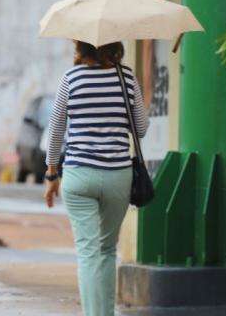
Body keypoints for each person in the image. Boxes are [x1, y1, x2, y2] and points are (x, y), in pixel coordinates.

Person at [44, 41, 148, 316]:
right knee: (106, 250)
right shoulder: (126, 78)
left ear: (81, 46)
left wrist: (52, 172)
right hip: (117, 175)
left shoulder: (71, 78)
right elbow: (142, 128)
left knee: (89, 253)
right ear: (116, 45)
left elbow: (55, 131)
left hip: (79, 176)